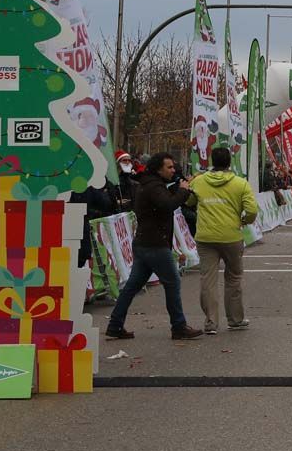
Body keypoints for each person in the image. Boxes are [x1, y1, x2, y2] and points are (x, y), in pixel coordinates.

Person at [105, 153, 203, 341]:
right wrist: (182, 191)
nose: (173, 170)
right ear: (158, 169)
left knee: (132, 286)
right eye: (169, 167)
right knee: (172, 282)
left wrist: (178, 188)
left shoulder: (150, 184)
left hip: (145, 243)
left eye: (173, 167)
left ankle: (115, 324)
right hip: (154, 244)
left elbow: (164, 199)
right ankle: (179, 326)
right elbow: (167, 204)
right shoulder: (152, 186)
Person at [189, 146, 258, 334]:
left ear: (212, 161)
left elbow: (188, 202)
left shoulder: (198, 182)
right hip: (231, 236)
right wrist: (244, 221)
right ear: (229, 162)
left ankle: (211, 322)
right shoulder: (240, 183)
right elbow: (252, 210)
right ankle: (235, 319)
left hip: (205, 236)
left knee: (208, 279)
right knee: (234, 277)